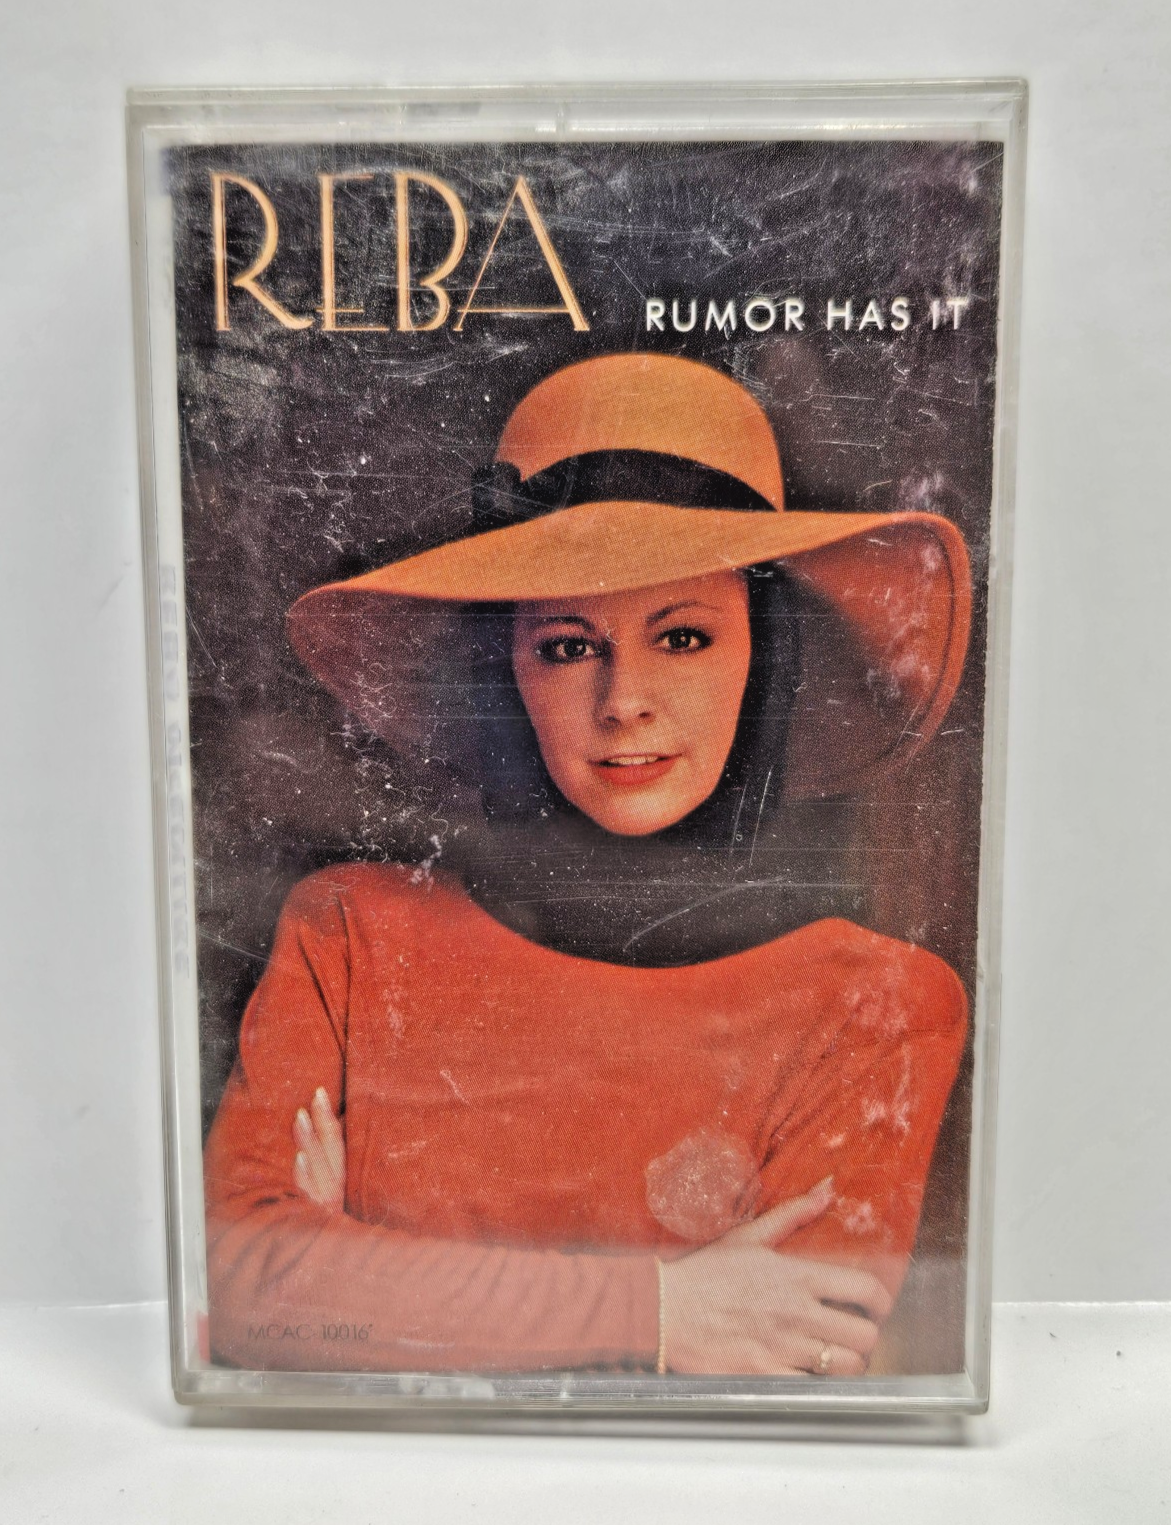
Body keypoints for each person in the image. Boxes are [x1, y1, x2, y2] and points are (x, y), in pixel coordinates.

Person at [202, 353, 972, 1377]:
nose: (623, 702)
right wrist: (661, 1311)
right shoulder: (347, 931)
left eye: (683, 636)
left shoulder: (881, 1006)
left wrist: (363, 1276)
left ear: (766, 656)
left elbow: (789, 1365)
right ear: (506, 671)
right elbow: (245, 1291)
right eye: (567, 646)